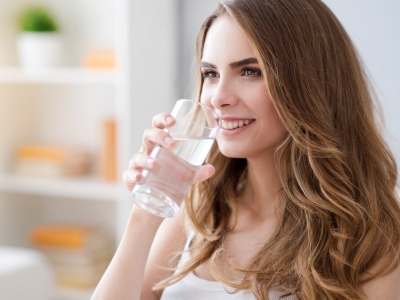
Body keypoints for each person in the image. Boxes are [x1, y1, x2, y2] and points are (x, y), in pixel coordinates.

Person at [91, 0, 400, 299]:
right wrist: (147, 211)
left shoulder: (376, 239)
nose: (217, 97)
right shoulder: (197, 209)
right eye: (211, 74)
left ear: (311, 85)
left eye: (250, 71)